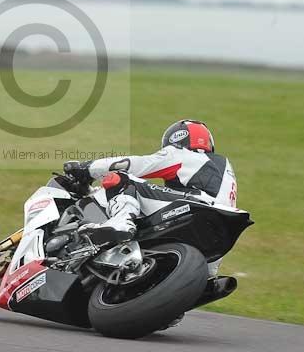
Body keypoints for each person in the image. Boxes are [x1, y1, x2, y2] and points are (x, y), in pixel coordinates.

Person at [63, 119, 238, 280]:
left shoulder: (182, 153)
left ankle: (121, 223)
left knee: (122, 178)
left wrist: (86, 169)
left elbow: (133, 164)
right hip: (218, 236)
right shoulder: (224, 168)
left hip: (197, 207)